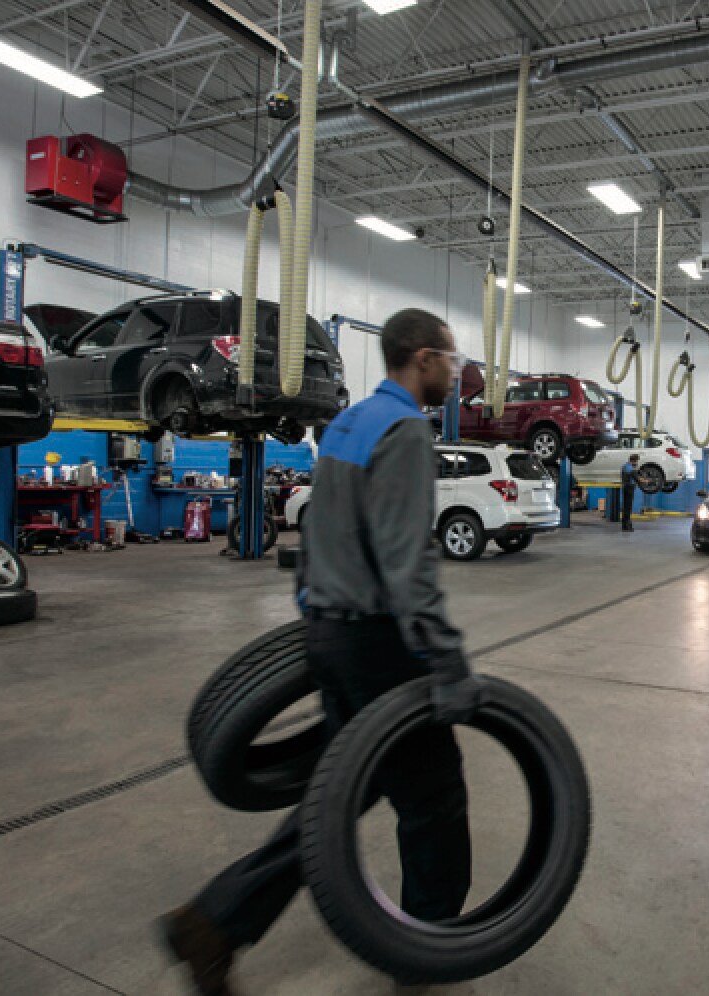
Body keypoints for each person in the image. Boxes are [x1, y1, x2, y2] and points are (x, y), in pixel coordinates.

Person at [159, 309, 482, 995]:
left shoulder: (345, 425)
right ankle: (425, 955)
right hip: (380, 642)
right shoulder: (403, 434)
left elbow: (316, 539)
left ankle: (214, 922)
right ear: (421, 359)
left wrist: (317, 622)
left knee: (342, 795)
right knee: (435, 801)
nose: (457, 374)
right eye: (450, 360)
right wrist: (446, 657)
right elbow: (405, 564)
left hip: (331, 634)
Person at [620, 452, 640, 531]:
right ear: (633, 461)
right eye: (636, 461)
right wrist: (645, 481)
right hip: (629, 488)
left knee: (626, 507)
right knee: (628, 507)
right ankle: (627, 526)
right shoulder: (630, 468)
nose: (636, 463)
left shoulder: (625, 466)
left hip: (625, 487)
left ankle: (624, 526)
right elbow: (636, 478)